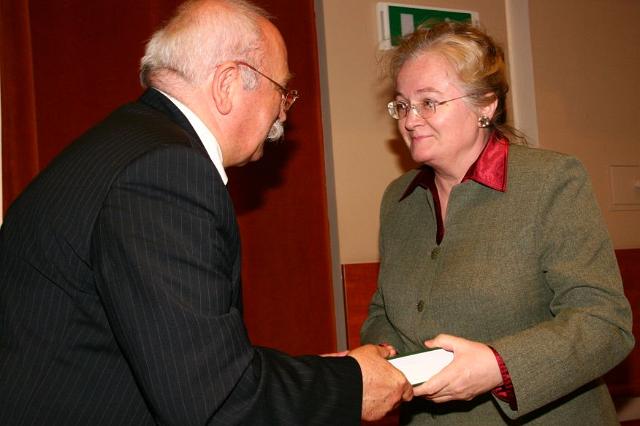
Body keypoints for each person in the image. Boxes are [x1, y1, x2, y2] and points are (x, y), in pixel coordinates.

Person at [0, 0, 413, 424]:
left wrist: (316, 377)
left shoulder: (124, 145)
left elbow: (184, 353)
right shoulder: (164, 171)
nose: (283, 113)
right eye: (281, 90)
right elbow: (216, 398)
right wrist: (351, 385)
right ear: (227, 83)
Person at [361, 21, 633, 425]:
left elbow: (604, 324)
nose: (410, 120)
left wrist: (498, 366)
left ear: (485, 105)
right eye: (402, 105)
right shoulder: (397, 200)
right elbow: (384, 312)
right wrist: (379, 358)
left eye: (428, 102)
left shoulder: (551, 181)